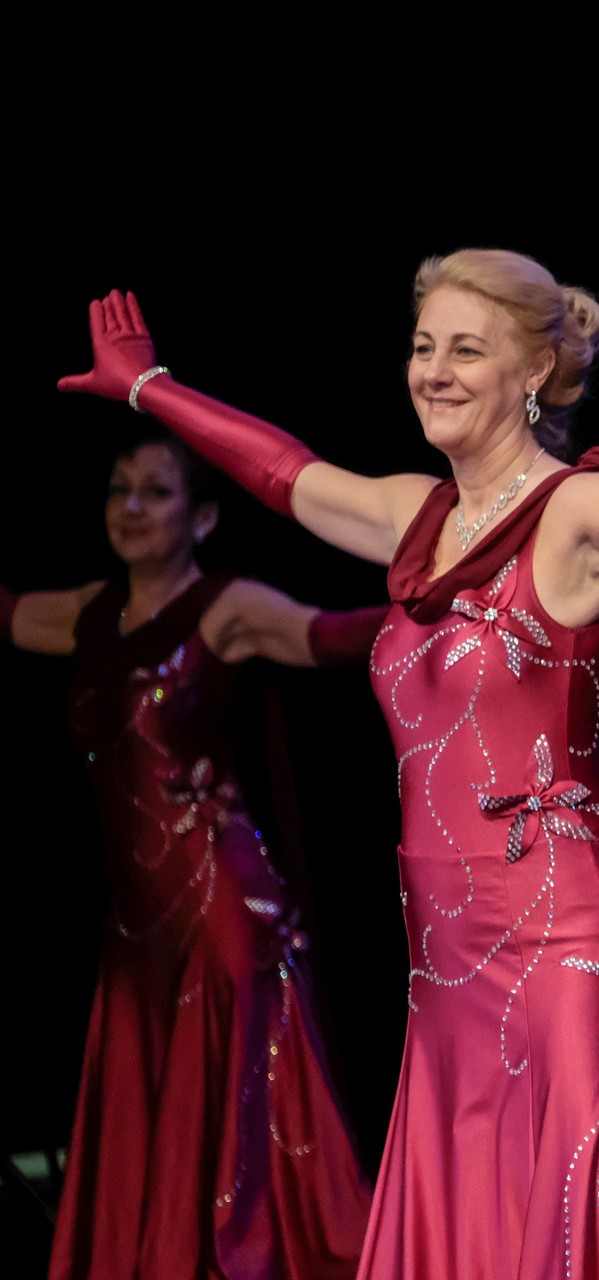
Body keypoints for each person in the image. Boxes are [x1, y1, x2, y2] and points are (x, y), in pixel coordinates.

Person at [56, 251, 599, 1280]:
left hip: (563, 943)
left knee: (584, 1225)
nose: (433, 371)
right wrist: (148, 387)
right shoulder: (415, 515)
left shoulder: (574, 509)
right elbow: (281, 471)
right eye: (423, 346)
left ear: (533, 370)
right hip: (444, 964)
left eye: (466, 350)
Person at [2, 430, 382, 1278]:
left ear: (203, 517)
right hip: (135, 929)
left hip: (220, 916)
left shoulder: (224, 606)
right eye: (119, 490)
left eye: (157, 491)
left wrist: (459, 594)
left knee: (235, 1156)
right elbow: (9, 612)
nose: (132, 507)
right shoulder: (91, 611)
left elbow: (332, 635)